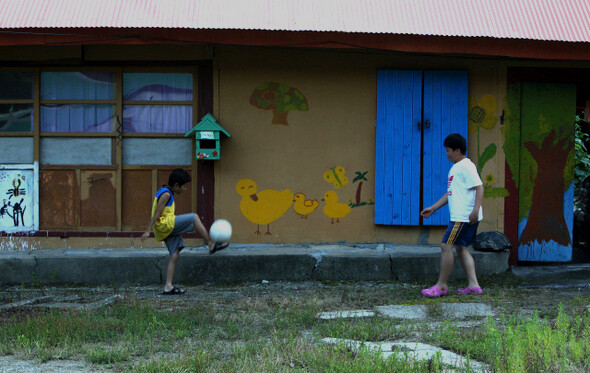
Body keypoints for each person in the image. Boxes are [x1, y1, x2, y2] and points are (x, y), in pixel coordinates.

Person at [141, 168, 228, 295]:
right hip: (165, 225)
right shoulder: (166, 194)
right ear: (176, 185)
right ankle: (210, 244)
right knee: (194, 218)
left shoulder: (166, 190)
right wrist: (148, 230)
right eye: (184, 186)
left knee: (174, 254)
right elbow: (157, 212)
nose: (185, 189)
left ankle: (168, 287)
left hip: (165, 227)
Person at [420, 133, 483, 297]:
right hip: (463, 217)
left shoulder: (466, 166)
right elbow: (451, 193)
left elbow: (479, 187)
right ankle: (474, 285)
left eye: (448, 150)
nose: (446, 153)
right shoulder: (456, 167)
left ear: (457, 150)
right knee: (461, 248)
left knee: (445, 246)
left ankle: (441, 286)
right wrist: (433, 208)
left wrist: (475, 210)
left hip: (462, 217)